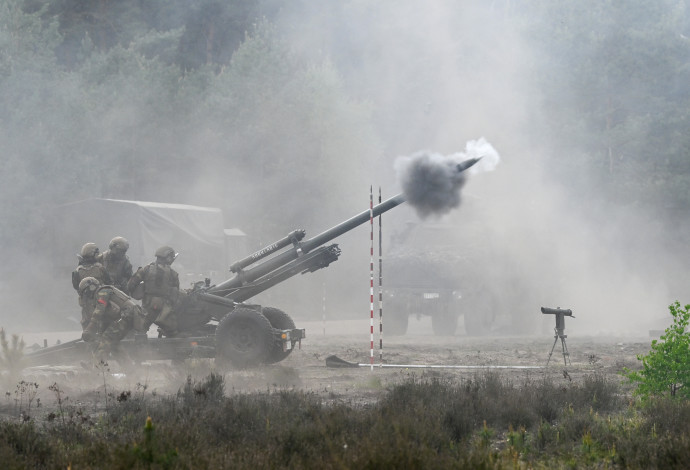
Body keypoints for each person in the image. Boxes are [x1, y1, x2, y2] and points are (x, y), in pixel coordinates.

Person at [79, 277, 148, 362]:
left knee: (107, 337)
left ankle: (98, 365)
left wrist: (89, 328)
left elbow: (99, 310)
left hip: (127, 315)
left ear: (91, 287)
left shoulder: (102, 291)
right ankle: (130, 370)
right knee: (113, 344)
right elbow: (104, 319)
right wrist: (96, 333)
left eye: (86, 292)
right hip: (126, 317)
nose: (87, 296)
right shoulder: (99, 295)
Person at [127, 246, 180, 336]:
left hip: (148, 305)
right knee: (172, 332)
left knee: (140, 330)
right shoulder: (173, 274)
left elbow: (131, 285)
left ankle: (138, 349)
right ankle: (170, 349)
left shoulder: (146, 269)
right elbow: (175, 294)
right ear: (168, 257)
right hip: (164, 307)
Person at [72, 243, 111, 328]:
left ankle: (89, 338)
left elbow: (76, 286)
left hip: (86, 302)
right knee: (103, 321)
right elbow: (109, 283)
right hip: (101, 301)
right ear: (93, 254)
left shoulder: (77, 271)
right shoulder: (101, 268)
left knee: (87, 322)